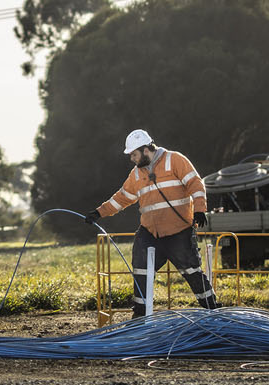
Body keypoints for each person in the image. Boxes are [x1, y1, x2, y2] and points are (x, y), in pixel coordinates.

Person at [85, 129, 218, 318]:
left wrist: (199, 209)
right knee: (141, 271)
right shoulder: (136, 175)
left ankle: (213, 311)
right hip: (150, 233)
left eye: (134, 154)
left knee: (192, 272)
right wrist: (99, 212)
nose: (132, 158)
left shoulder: (175, 160)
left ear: (146, 150)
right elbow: (122, 198)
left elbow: (195, 184)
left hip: (179, 231)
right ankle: (140, 316)